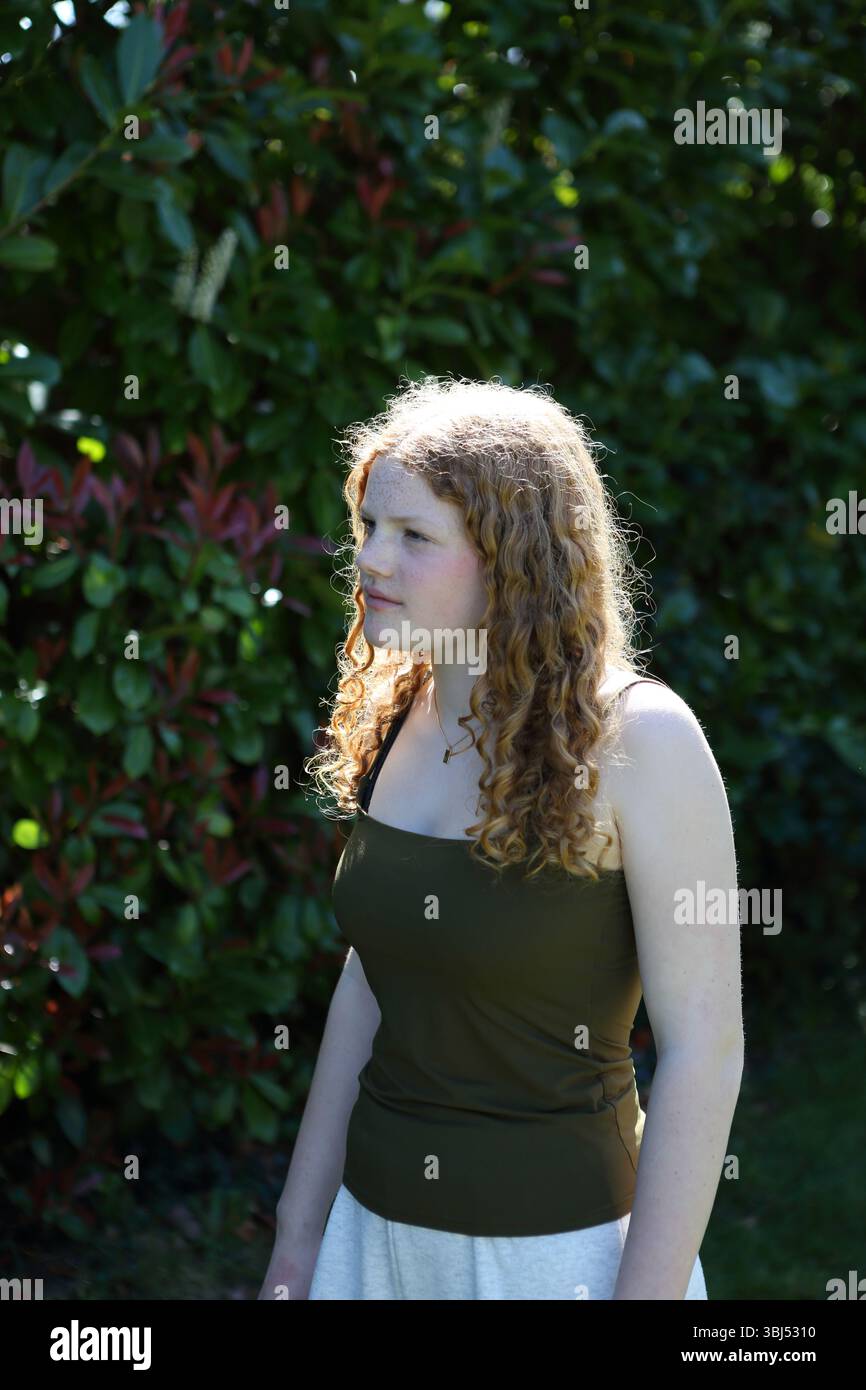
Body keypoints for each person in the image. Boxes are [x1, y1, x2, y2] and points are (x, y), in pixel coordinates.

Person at [258, 375, 743, 1301]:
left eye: (413, 536)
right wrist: (297, 1244)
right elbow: (373, 977)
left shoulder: (642, 741)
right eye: (368, 528)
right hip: (371, 1245)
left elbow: (705, 1050)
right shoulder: (401, 709)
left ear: (511, 558)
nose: (369, 562)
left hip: (555, 1259)